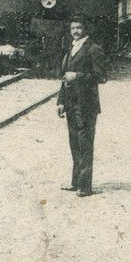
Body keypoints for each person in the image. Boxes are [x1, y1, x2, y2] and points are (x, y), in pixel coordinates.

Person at [56, 16, 107, 197]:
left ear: (85, 29)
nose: (75, 31)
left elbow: (101, 77)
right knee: (75, 144)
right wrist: (60, 101)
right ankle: (76, 182)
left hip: (86, 105)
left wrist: (77, 75)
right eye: (72, 28)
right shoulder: (71, 48)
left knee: (85, 144)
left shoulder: (94, 49)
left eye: (78, 28)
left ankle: (85, 187)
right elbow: (64, 78)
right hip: (70, 104)